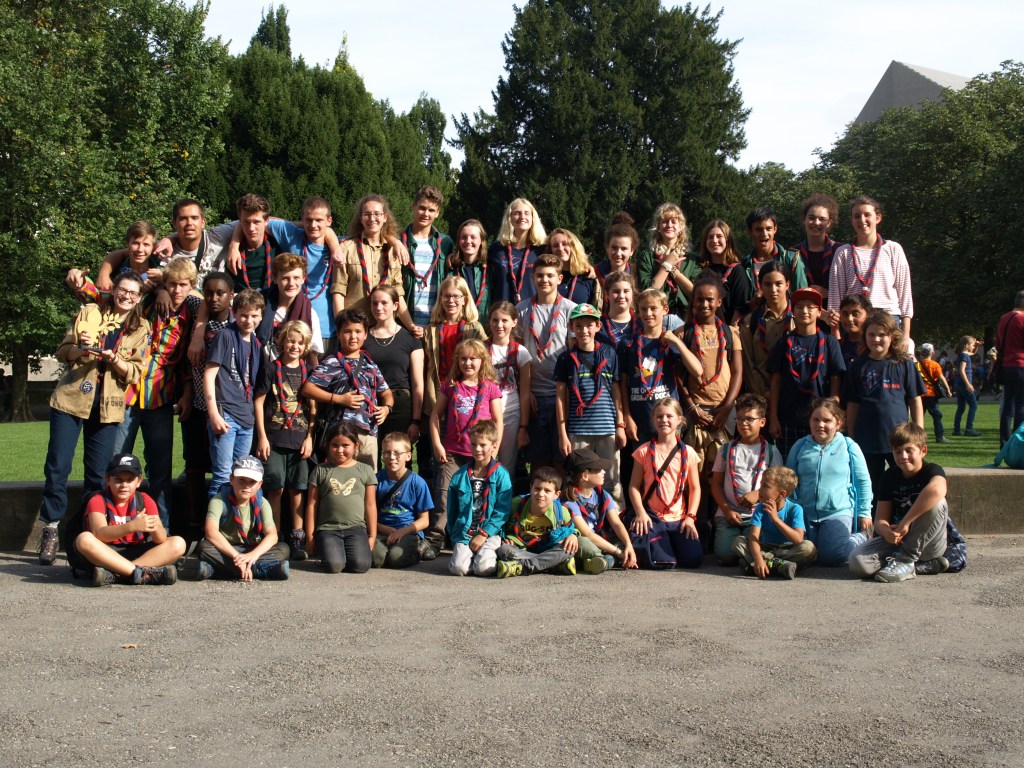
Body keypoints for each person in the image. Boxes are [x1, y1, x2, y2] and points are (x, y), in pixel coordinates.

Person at [37, 277, 149, 566]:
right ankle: (51, 528)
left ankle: (91, 534)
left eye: (133, 293)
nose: (126, 296)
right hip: (71, 399)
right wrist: (81, 349)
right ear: (113, 291)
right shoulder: (90, 312)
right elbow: (63, 351)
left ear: (139, 298)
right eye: (122, 290)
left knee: (98, 475)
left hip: (108, 407)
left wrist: (114, 360)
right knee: (58, 466)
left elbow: (135, 373)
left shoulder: (141, 327)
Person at [117, 257, 202, 528]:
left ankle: (160, 529)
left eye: (183, 285)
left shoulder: (192, 315)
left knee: (160, 470)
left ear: (191, 286)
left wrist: (186, 393)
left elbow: (186, 362)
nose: (177, 290)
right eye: (172, 284)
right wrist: (158, 290)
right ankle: (114, 526)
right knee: (117, 464)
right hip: (127, 394)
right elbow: (124, 297)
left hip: (160, 399)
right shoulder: (149, 303)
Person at [618, 287, 702, 505]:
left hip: (668, 420)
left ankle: (673, 512)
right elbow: (623, 384)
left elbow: (697, 370)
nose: (648, 314)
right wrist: (627, 417)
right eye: (643, 309)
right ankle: (643, 515)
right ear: (637, 312)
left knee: (672, 470)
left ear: (665, 310)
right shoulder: (628, 344)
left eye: (653, 308)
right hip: (639, 420)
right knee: (642, 473)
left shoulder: (670, 342)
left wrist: (676, 341)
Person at [849, 423, 950, 582]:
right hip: (898, 541)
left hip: (927, 543)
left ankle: (906, 560)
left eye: (909, 450)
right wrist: (886, 532)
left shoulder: (932, 470)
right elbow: (880, 520)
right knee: (857, 561)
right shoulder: (889, 476)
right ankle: (919, 566)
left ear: (923, 451)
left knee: (937, 503)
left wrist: (905, 523)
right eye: (898, 451)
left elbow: (937, 490)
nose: (903, 456)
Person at [429, 338, 503, 552]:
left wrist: (494, 448)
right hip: (452, 452)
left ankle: (473, 536)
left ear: (482, 361)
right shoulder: (451, 386)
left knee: (478, 497)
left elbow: (498, 421)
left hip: (481, 454)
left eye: (473, 359)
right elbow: (435, 415)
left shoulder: (490, 388)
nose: (468, 363)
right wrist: (437, 444)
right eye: (463, 359)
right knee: (445, 494)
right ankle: (436, 539)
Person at [69, 453, 185, 586]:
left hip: (139, 553)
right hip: (107, 553)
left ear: (139, 481)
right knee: (84, 539)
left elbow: (160, 539)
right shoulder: (98, 500)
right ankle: (140, 574)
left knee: (178, 543)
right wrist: (132, 526)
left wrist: (154, 527)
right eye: (118, 480)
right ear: (107, 479)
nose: (124, 485)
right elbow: (99, 534)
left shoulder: (144, 500)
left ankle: (119, 574)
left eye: (130, 480)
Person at [845, 310, 925, 502]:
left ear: (892, 337)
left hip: (899, 439)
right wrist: (851, 434)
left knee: (904, 485)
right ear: (865, 336)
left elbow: (915, 400)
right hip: (867, 439)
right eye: (871, 334)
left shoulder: (904, 364)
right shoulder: (857, 366)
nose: (876, 339)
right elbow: (853, 403)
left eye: (882, 335)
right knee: (870, 488)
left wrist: (918, 433)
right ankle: (874, 519)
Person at [253, 320, 315, 558]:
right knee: (275, 488)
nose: (294, 346)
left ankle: (297, 537)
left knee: (297, 489)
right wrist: (262, 437)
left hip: (300, 439)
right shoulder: (271, 369)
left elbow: (314, 408)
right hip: (274, 438)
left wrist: (310, 438)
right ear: (282, 341)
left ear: (306, 346)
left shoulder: (309, 371)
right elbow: (259, 401)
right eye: (290, 341)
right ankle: (274, 536)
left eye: (300, 343)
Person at [302, 308, 394, 468]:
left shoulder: (370, 364)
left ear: (365, 334)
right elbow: (308, 389)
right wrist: (338, 399)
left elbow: (386, 393)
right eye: (347, 331)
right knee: (338, 477)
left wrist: (386, 408)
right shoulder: (331, 362)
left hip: (367, 433)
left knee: (367, 477)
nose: (353, 336)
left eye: (358, 331)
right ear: (338, 334)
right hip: (340, 434)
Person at [786, 398, 873, 566]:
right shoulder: (800, 446)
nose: (820, 425)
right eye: (816, 419)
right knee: (808, 553)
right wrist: (789, 511)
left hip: (837, 512)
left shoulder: (849, 446)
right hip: (806, 513)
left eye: (827, 420)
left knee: (832, 556)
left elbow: (863, 482)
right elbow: (788, 482)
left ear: (838, 423)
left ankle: (861, 538)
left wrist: (864, 513)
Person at [180, 271, 234, 532]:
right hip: (199, 405)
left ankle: (223, 526)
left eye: (220, 293)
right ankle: (194, 524)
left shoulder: (238, 322)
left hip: (228, 409)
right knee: (194, 466)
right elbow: (173, 285)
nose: (213, 298)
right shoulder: (195, 317)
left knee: (224, 469)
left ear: (231, 296)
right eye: (209, 293)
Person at [554, 303, 625, 495]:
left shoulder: (609, 353)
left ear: (598, 326)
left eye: (589, 325)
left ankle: (613, 513)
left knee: (610, 480)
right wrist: (562, 434)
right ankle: (582, 512)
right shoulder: (566, 359)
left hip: (607, 428)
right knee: (580, 479)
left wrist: (620, 425)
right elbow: (561, 398)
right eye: (578, 326)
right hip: (579, 430)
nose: (584, 330)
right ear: (571, 327)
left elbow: (616, 391)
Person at [767, 287, 845, 459]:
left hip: (820, 419)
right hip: (788, 417)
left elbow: (836, 377)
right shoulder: (784, 343)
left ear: (819, 312)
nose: (805, 311)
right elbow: (776, 381)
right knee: (789, 466)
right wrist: (773, 417)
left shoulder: (829, 342)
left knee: (818, 463)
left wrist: (834, 407)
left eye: (811, 307)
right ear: (793, 312)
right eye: (799, 307)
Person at [627, 398, 703, 569]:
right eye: (659, 416)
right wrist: (640, 513)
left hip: (679, 518)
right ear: (653, 420)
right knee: (662, 562)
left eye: (669, 416)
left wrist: (690, 517)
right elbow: (633, 486)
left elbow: (695, 488)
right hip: (652, 517)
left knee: (693, 559)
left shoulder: (688, 452)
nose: (664, 420)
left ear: (679, 420)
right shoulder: (643, 451)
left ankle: (671, 544)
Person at [680, 275, 742, 481]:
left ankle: (718, 505)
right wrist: (691, 407)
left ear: (719, 302)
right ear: (693, 301)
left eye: (710, 300)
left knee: (721, 471)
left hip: (724, 409)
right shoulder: (683, 333)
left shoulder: (731, 333)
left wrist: (727, 407)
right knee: (693, 471)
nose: (704, 304)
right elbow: (678, 374)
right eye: (699, 299)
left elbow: (737, 372)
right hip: (696, 410)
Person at [204, 288, 265, 498]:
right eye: (244, 315)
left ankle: (234, 518)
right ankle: (214, 519)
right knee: (222, 476)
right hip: (226, 414)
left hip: (246, 417)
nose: (249, 320)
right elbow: (209, 375)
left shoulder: (256, 343)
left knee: (241, 476)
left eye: (254, 316)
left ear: (261, 316)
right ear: (234, 313)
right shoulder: (225, 335)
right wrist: (213, 413)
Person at [710, 394, 783, 565]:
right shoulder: (725, 449)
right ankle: (751, 556)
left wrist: (758, 494)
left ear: (762, 422)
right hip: (729, 515)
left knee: (752, 546)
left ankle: (751, 556)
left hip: (758, 515)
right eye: (740, 419)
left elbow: (777, 487)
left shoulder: (771, 451)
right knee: (726, 556)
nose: (743, 423)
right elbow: (716, 485)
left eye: (750, 419)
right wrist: (727, 510)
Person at [518, 254, 576, 469]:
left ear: (559, 278)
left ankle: (559, 493)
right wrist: (526, 391)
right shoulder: (521, 309)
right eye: (540, 275)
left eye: (550, 276)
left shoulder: (571, 309)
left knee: (561, 459)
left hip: (562, 395)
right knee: (538, 461)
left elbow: (574, 355)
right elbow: (516, 354)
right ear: (533, 278)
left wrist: (569, 392)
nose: (545, 280)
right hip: (534, 395)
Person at [828, 196, 913, 339]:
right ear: (851, 220)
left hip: (888, 320)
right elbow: (836, 296)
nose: (862, 220)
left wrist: (906, 334)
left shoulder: (893, 249)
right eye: (857, 216)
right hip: (853, 321)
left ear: (878, 218)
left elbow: (904, 293)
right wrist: (835, 333)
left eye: (867, 215)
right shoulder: (843, 253)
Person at [195, 455, 290, 581]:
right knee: (204, 548)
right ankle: (261, 569)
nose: (246, 486)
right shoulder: (219, 501)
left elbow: (272, 535)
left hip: (251, 548)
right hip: (226, 549)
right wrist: (237, 556)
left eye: (252, 482)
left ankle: (217, 570)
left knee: (283, 549)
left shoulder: (262, 503)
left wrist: (252, 555)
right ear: (231, 479)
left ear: (260, 484)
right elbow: (211, 532)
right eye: (241, 480)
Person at [305, 422, 377, 574]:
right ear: (328, 445)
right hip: (328, 529)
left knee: (361, 566)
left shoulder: (365, 470)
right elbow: (312, 505)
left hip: (356, 528)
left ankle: (344, 554)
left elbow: (370, 505)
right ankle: (332, 555)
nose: (340, 450)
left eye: (345, 445)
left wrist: (372, 535)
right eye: (335, 445)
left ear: (356, 445)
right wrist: (310, 537)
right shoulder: (320, 470)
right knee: (334, 566)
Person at [332, 194, 411, 330]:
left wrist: (411, 326)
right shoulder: (346, 249)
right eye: (367, 215)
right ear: (360, 219)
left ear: (385, 217)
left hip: (383, 329)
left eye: (377, 214)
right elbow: (338, 291)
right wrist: (342, 326)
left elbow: (398, 293)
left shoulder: (393, 251)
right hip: (354, 328)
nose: (372, 219)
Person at [446, 420, 513, 576]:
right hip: (465, 532)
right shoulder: (460, 476)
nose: (477, 449)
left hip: (490, 533)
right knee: (459, 569)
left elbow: (502, 511)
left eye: (483, 445)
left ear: (494, 446)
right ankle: (467, 556)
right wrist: (455, 536)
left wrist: (484, 534)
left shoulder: (501, 475)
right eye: (474, 444)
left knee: (484, 569)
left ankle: (490, 556)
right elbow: (452, 510)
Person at [364, 285, 423, 449]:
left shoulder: (411, 339)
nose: (379, 308)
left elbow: (417, 383)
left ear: (395, 305)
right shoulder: (363, 337)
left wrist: (416, 420)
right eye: (374, 303)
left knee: (398, 455)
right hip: (369, 402)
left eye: (384, 303)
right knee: (369, 455)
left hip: (400, 404)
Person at [732, 466, 816, 579]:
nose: (759, 490)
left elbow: (798, 539)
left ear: (782, 494)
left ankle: (758, 565)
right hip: (766, 547)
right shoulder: (760, 507)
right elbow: (753, 537)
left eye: (765, 486)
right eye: (761, 485)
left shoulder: (795, 509)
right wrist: (758, 558)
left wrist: (776, 519)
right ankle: (778, 566)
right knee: (738, 542)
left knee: (809, 548)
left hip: (788, 549)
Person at [562, 447, 637, 572]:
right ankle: (606, 559)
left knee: (628, 544)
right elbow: (587, 534)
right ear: (585, 475)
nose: (604, 471)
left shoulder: (603, 495)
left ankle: (601, 560)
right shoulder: (570, 500)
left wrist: (628, 545)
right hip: (581, 539)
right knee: (585, 544)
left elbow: (617, 523)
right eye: (598, 469)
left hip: (599, 538)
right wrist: (618, 552)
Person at [494, 466, 577, 577]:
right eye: (537, 488)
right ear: (531, 488)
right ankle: (554, 565)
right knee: (504, 550)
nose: (541, 494)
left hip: (548, 549)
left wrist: (573, 535)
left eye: (547, 491)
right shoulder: (516, 505)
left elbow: (571, 528)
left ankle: (522, 567)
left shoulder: (561, 511)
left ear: (556, 495)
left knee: (568, 549)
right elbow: (502, 526)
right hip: (523, 549)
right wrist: (508, 538)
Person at [374, 432, 434, 569]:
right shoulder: (376, 480)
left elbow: (424, 520)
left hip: (407, 531)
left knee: (396, 559)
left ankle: (419, 550)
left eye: (397, 453)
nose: (391, 457)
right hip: (382, 530)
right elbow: (368, 513)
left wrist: (402, 532)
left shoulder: (418, 483)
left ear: (408, 456)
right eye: (387, 453)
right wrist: (382, 529)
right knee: (377, 559)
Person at [401, 185, 454, 336]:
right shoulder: (400, 241)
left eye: (431, 210)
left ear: (438, 213)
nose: (426, 214)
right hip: (405, 322)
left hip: (437, 323)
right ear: (413, 206)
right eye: (422, 208)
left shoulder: (446, 243)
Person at [486, 301, 532, 474]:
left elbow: (525, 392)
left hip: (511, 412)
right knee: (484, 460)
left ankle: (504, 491)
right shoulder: (481, 348)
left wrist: (523, 427)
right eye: (495, 320)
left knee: (507, 466)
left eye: (504, 320)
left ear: (514, 322)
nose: (499, 325)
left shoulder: (521, 352)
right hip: (486, 412)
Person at [65, 221, 162, 301]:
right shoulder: (115, 272)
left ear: (153, 247)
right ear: (127, 244)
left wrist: (161, 290)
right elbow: (97, 300)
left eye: (146, 245)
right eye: (135, 243)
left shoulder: (161, 270)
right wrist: (82, 284)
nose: (140, 249)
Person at [636, 203, 702, 320]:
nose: (669, 225)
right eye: (664, 222)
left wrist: (674, 270)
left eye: (673, 221)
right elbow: (647, 292)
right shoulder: (647, 257)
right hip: (656, 318)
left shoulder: (692, 259)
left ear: (680, 227)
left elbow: (697, 294)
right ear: (658, 227)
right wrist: (666, 265)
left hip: (686, 318)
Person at [255, 252, 323, 364]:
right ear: (275, 278)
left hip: (292, 370)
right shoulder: (259, 303)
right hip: (258, 365)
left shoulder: (309, 313)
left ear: (303, 279)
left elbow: (312, 354)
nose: (291, 283)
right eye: (285, 278)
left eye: (296, 278)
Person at [739, 261, 791, 399]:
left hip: (793, 395)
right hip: (761, 397)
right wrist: (764, 393)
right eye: (767, 284)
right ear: (760, 286)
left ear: (787, 285)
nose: (773, 290)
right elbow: (748, 364)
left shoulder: (799, 318)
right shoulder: (750, 322)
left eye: (778, 284)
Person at [488, 197, 547, 304]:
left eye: (526, 213)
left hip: (532, 309)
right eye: (517, 213)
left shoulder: (542, 250)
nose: (522, 217)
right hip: (502, 310)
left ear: (533, 218)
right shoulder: (496, 249)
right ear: (509, 218)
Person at [697, 219, 752, 325]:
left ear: (727, 240)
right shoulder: (700, 270)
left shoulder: (737, 271)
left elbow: (738, 310)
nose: (714, 240)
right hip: (700, 329)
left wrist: (729, 332)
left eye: (719, 236)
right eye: (710, 237)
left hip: (726, 329)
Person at [741, 206, 808, 291]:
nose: (764, 234)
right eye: (759, 230)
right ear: (750, 231)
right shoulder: (744, 265)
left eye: (768, 229)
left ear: (775, 229)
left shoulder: (792, 260)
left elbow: (803, 295)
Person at [227, 193, 280, 291]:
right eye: (246, 222)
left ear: (266, 221)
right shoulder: (229, 246)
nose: (251, 228)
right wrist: (233, 246)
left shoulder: (278, 243)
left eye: (256, 222)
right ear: (240, 221)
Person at [791, 193, 840, 295]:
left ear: (829, 223)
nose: (816, 223)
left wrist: (827, 293)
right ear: (804, 219)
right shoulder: (793, 253)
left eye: (822, 219)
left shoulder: (839, 251)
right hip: (802, 304)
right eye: (811, 218)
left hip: (834, 305)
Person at [445, 219, 490, 318]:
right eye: (464, 237)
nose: (468, 241)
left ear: (481, 241)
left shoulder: (490, 268)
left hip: (484, 325)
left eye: (473, 237)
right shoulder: (451, 268)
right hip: (458, 324)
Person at [996, 290, 1024, 444]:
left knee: (1007, 407)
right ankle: (1018, 444)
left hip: (1006, 366)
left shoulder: (1004, 318)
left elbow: (998, 344)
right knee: (1021, 406)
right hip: (1021, 365)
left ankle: (1005, 443)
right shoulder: (1022, 319)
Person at [550, 228, 600, 308]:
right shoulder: (548, 276)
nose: (560, 248)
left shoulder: (588, 276)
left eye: (565, 244)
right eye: (555, 246)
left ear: (573, 246)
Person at [916, 342, 951, 444]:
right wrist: (948, 389)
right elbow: (941, 378)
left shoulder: (916, 365)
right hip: (930, 394)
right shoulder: (935, 365)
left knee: (918, 416)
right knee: (937, 416)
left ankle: (917, 438)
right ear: (932, 353)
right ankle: (939, 437)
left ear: (921, 353)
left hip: (918, 394)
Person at [596, 212, 638, 286]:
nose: (618, 253)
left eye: (624, 249)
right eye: (614, 248)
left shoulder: (638, 275)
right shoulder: (594, 273)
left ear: (631, 251)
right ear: (607, 247)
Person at [952, 335, 982, 437]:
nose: (973, 347)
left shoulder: (962, 354)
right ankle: (969, 429)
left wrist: (977, 345)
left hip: (958, 383)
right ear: (967, 345)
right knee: (973, 405)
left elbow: (973, 353)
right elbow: (961, 370)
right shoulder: (964, 356)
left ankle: (956, 430)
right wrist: (968, 384)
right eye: (972, 345)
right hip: (964, 384)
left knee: (961, 407)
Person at [837, 293, 871, 370]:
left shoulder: (873, 344)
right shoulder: (837, 345)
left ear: (868, 315)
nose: (849, 319)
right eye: (845, 314)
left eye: (855, 314)